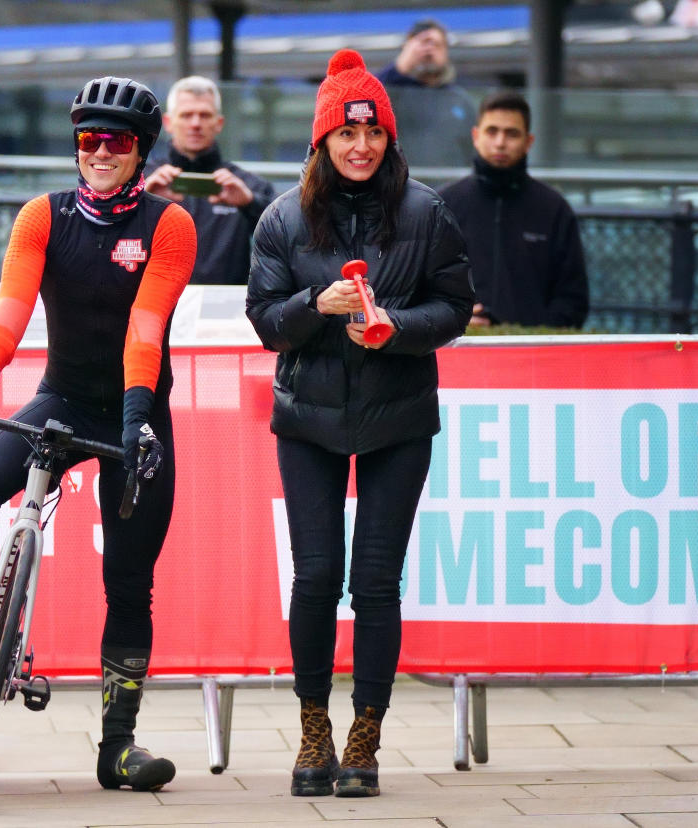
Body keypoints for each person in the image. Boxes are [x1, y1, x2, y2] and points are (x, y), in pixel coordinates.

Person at [0, 75, 196, 793]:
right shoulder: (42, 214)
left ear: (141, 152)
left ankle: (117, 748)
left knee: (130, 582)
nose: (100, 152)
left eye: (117, 142)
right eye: (88, 140)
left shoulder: (169, 226)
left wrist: (138, 422)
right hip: (63, 397)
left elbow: (146, 330)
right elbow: (11, 310)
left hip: (136, 411)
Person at [246, 50, 472, 798]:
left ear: (390, 138)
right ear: (322, 142)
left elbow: (452, 309)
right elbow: (265, 324)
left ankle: (364, 738)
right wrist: (318, 309)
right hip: (307, 419)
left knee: (375, 583)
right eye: (346, 135)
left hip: (398, 419)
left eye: (373, 133)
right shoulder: (281, 217)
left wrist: (394, 328)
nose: (360, 146)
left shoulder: (426, 212)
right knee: (315, 578)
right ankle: (313, 730)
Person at [438, 90, 589, 328]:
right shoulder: (443, 204)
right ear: (476, 136)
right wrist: (452, 320)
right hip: (459, 350)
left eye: (511, 133)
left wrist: (529, 336)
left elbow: (573, 300)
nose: (500, 142)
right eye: (492, 131)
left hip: (532, 356)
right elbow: (420, 286)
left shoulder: (554, 209)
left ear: (528, 142)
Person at [143, 75, 275, 284]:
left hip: (225, 309)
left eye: (204, 115)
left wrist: (250, 203)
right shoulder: (143, 181)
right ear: (168, 122)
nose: (195, 123)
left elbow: (287, 237)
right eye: (186, 115)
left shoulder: (248, 186)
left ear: (219, 123)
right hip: (156, 307)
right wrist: (143, 201)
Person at [375, 18, 476, 169]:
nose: (429, 48)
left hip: (449, 186)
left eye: (436, 44)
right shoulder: (391, 93)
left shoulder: (460, 100)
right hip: (402, 187)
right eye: (422, 42)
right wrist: (402, 65)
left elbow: (473, 150)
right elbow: (367, 96)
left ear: (446, 52)